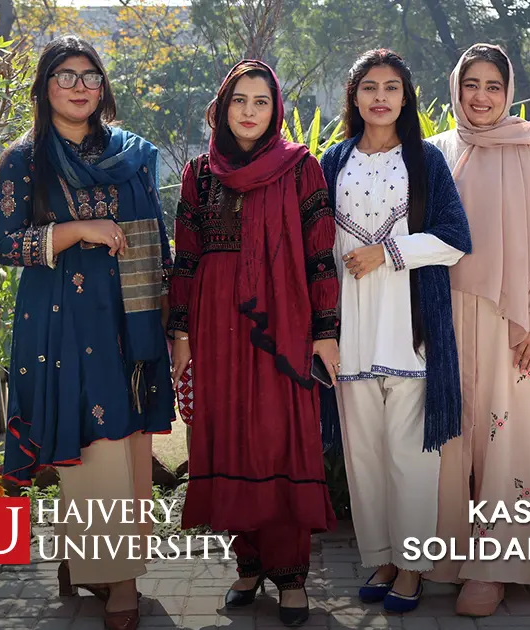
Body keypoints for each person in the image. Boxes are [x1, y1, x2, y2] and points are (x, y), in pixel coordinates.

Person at [0, 35, 174, 630]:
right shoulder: (25, 159)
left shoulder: (129, 152)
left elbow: (154, 235)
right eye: (65, 75)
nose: (79, 86)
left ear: (103, 86)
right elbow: (3, 244)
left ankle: (96, 561)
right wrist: (77, 231)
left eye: (89, 75)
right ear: (44, 87)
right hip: (64, 324)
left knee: (130, 444)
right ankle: (118, 581)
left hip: (129, 317)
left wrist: (168, 316)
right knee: (94, 440)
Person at [168, 59, 340, 628]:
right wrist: (181, 334)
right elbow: (186, 256)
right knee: (230, 437)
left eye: (260, 101)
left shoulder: (301, 168)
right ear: (223, 107)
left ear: (275, 109)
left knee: (278, 438)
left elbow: (319, 254)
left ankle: (290, 574)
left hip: (282, 323)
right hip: (215, 322)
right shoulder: (200, 173)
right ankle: (248, 563)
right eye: (239, 100)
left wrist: (325, 333)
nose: (248, 111)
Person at [425, 43, 530, 615]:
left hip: (515, 321)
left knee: (508, 437)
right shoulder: (437, 151)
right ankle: (449, 556)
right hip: (446, 314)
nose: (481, 96)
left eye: (493, 85)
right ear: (455, 88)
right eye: (471, 84)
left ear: (509, 91)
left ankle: (497, 566)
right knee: (451, 437)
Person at [317, 49, 471, 614]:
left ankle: (412, 566)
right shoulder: (332, 161)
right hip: (350, 331)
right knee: (364, 456)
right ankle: (381, 558)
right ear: (354, 97)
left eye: (391, 87)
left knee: (411, 457)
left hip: (410, 330)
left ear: (406, 98)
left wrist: (388, 252)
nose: (380, 97)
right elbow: (316, 246)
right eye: (369, 87)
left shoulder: (426, 161)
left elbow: (455, 238)